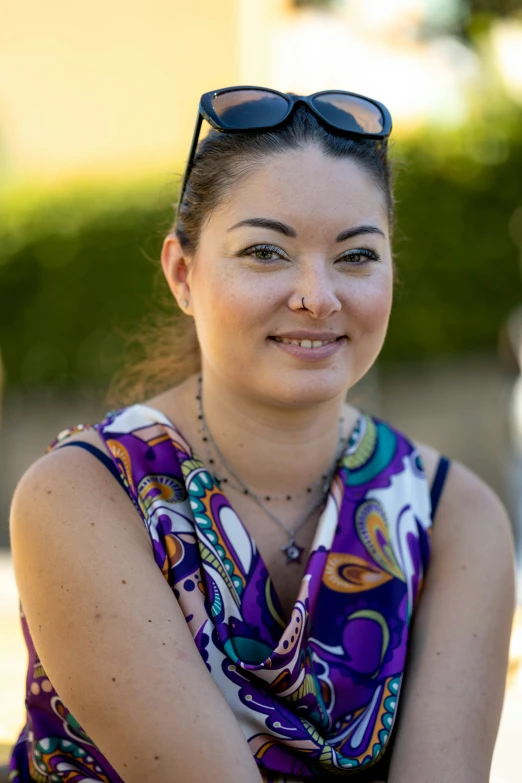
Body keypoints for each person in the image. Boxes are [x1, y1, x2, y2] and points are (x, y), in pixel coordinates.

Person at [7, 87, 515, 783]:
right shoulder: (86, 494)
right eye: (266, 252)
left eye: (357, 256)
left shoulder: (454, 516)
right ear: (183, 274)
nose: (317, 294)